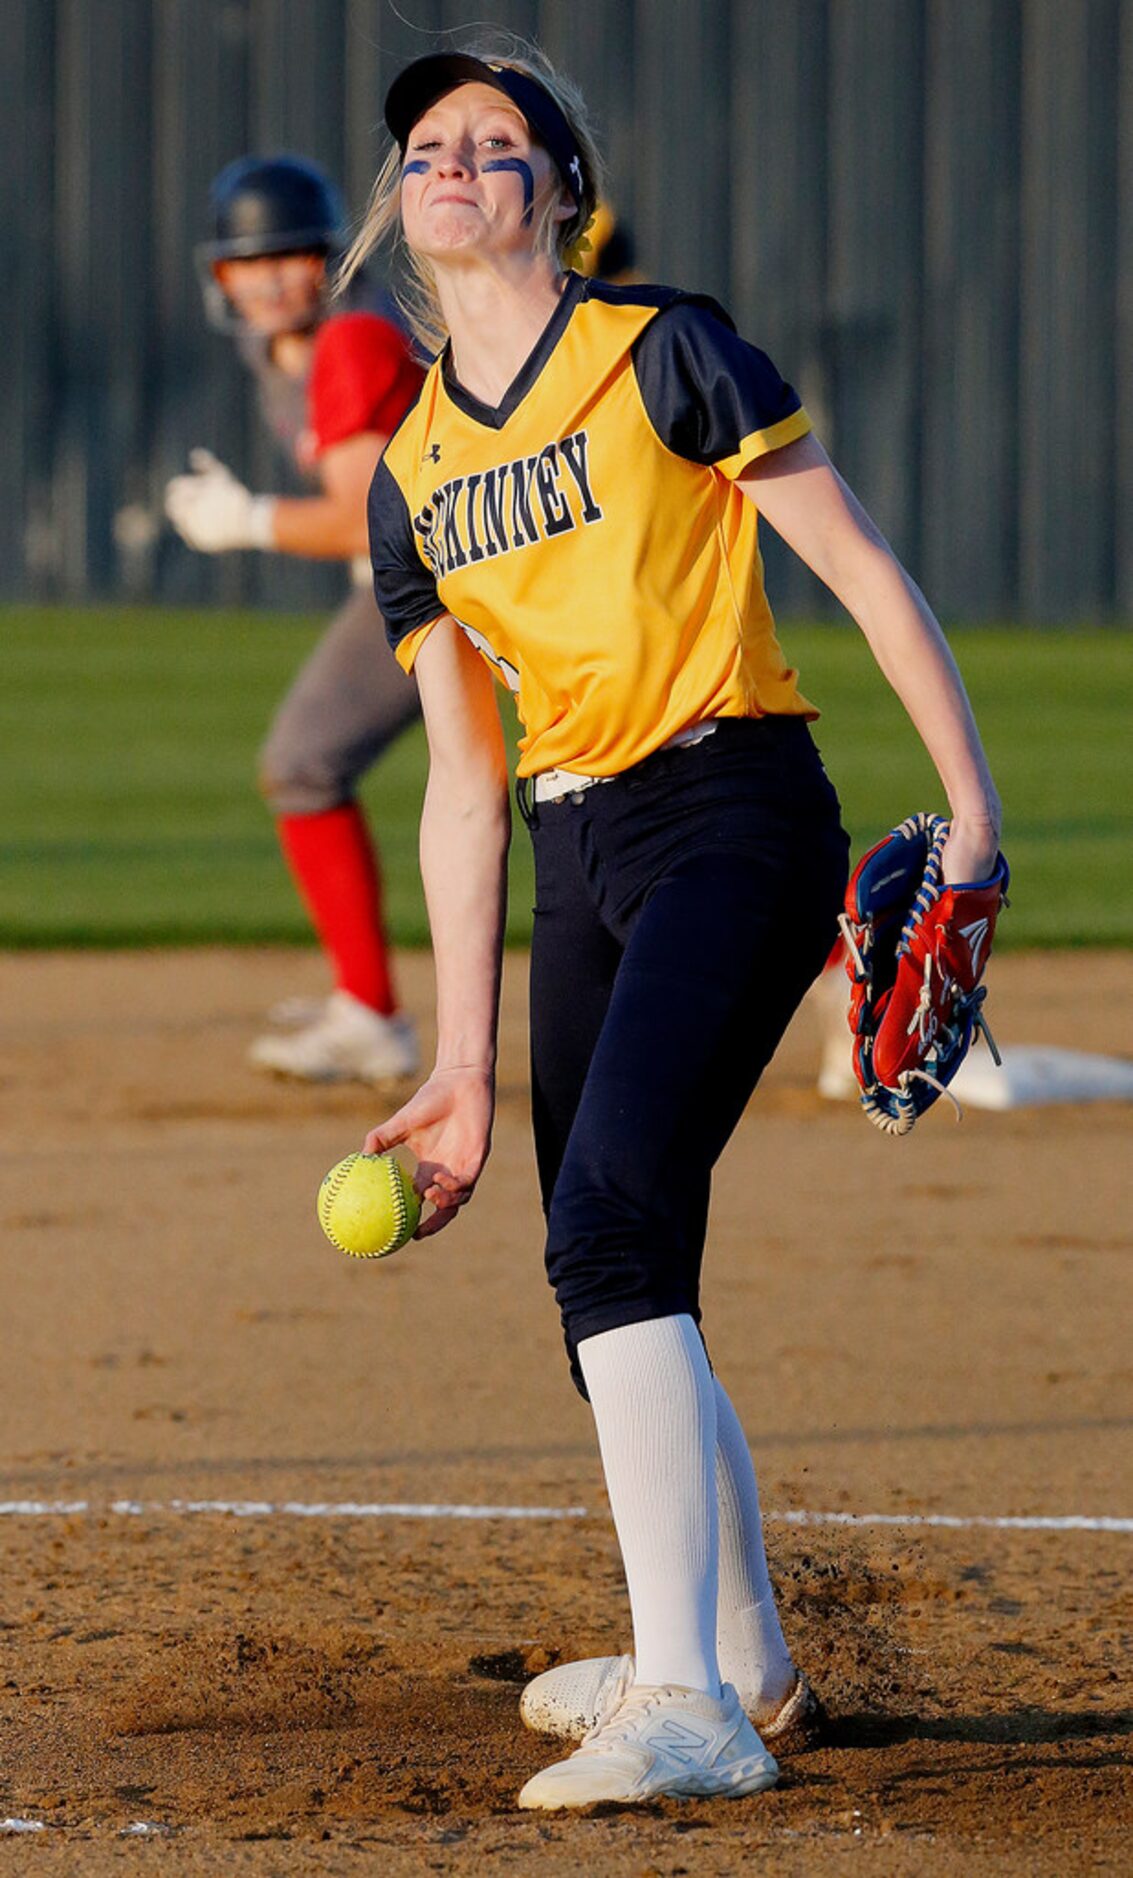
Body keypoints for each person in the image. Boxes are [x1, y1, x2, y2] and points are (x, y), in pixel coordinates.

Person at [348, 45, 1002, 1809]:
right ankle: (739, 1661)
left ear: (557, 187)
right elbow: (463, 785)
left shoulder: (661, 350)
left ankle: (688, 1706)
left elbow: (858, 566)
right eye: (427, 146)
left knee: (613, 1231)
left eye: (497, 142)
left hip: (733, 811)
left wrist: (970, 812)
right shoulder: (408, 470)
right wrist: (458, 1067)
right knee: (602, 1268)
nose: (457, 163)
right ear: (400, 201)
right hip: (581, 854)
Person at [164, 155, 424, 1083]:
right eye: (247, 260)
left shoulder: (348, 340)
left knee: (634, 799)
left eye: (292, 254)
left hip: (462, 585)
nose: (269, 276)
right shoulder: (286, 349)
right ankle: (366, 1011)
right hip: (439, 577)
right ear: (219, 275)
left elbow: (365, 516)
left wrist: (248, 523)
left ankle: (370, 1016)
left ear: (330, 257)